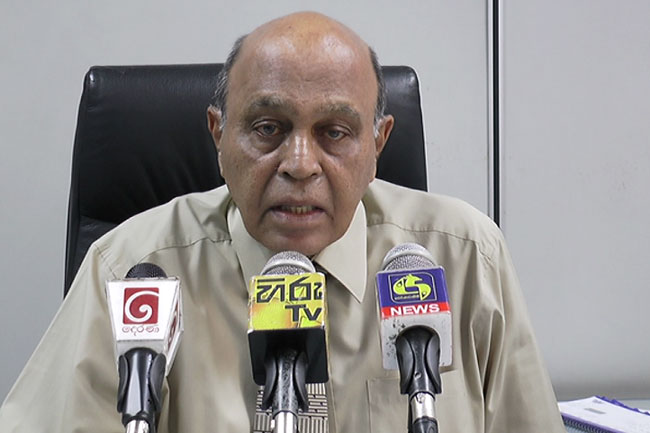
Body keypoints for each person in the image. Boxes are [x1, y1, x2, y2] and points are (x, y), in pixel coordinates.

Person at [0, 11, 565, 433]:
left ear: (378, 144)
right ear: (219, 136)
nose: (299, 164)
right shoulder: (131, 271)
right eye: (268, 128)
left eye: (334, 133)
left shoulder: (465, 259)